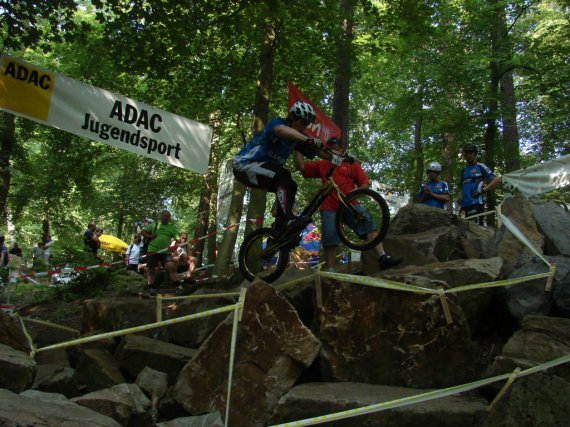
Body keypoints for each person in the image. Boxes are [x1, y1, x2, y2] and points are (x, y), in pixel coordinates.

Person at [294, 137, 403, 272]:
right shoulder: (322, 164)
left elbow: (364, 182)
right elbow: (301, 167)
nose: (333, 149)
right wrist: (297, 148)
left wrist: (356, 191)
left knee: (367, 222)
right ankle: (331, 270)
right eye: (330, 147)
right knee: (330, 236)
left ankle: (382, 257)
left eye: (336, 147)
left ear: (341, 148)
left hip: (350, 203)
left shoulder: (351, 164)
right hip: (329, 206)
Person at [232, 101, 330, 232]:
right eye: (302, 122)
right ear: (292, 117)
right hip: (244, 165)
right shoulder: (277, 123)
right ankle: (287, 217)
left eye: (307, 124)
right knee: (283, 175)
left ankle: (280, 230)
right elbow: (280, 130)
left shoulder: (300, 137)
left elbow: (321, 152)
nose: (304, 127)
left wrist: (340, 157)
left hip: (262, 172)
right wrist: (307, 140)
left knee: (291, 186)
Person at [139, 210, 180, 294]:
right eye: (164, 216)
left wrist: (175, 245)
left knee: (171, 266)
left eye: (168, 216)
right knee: (151, 269)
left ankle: (178, 286)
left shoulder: (171, 227)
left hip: (165, 252)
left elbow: (178, 239)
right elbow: (142, 232)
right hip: (152, 250)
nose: (166, 218)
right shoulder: (154, 225)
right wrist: (150, 236)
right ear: (161, 216)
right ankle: (151, 288)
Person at [460, 144, 501, 225]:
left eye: (470, 152)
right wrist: (459, 197)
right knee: (462, 229)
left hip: (476, 203)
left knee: (475, 229)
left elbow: (496, 179)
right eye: (466, 153)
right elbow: (462, 186)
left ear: (475, 154)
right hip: (464, 205)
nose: (468, 155)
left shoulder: (480, 166)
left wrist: (482, 190)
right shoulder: (464, 170)